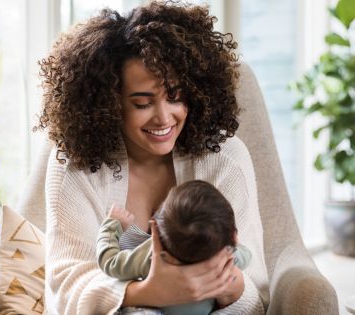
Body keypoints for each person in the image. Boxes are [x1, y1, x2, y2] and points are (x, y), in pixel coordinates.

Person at [38, 1, 269, 314]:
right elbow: (64, 291)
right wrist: (146, 293)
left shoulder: (225, 159)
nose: (164, 118)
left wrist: (225, 287)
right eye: (142, 103)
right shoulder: (74, 166)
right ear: (108, 104)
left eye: (175, 96)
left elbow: (256, 293)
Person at [96, 180, 253, 315]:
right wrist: (232, 245)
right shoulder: (227, 259)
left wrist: (113, 223)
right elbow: (248, 255)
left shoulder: (153, 255)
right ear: (233, 235)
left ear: (157, 227)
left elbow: (110, 263)